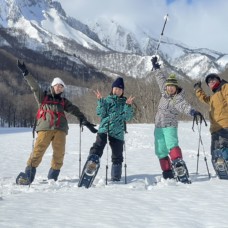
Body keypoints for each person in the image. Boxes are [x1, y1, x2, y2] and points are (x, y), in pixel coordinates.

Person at [16, 60, 97, 185]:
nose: (59, 87)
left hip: (60, 130)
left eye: (61, 86)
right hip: (45, 128)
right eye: (57, 85)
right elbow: (34, 86)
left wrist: (84, 120)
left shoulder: (63, 101)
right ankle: (28, 177)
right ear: (52, 86)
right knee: (37, 152)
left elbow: (74, 109)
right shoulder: (43, 97)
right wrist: (26, 72)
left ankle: (52, 179)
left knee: (59, 154)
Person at [151, 55, 202, 183]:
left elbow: (183, 106)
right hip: (158, 127)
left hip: (169, 126)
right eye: (168, 86)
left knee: (172, 145)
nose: (170, 88)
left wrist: (192, 111)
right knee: (160, 150)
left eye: (172, 87)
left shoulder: (177, 98)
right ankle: (167, 172)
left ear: (176, 88)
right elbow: (160, 78)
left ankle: (178, 164)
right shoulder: (164, 92)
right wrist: (156, 67)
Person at [80, 77, 134, 185]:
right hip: (105, 128)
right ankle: (91, 164)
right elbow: (101, 113)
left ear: (122, 91)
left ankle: (116, 177)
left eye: (120, 89)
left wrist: (128, 106)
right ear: (112, 89)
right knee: (98, 146)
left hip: (118, 132)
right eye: (115, 88)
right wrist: (100, 101)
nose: (117, 91)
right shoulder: (106, 100)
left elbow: (127, 117)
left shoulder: (125, 102)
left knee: (117, 154)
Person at [194, 74, 228, 179]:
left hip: (225, 125)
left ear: (219, 79)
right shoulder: (213, 97)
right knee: (215, 153)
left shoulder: (225, 87)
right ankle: (221, 173)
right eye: (209, 81)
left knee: (223, 148)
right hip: (215, 128)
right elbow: (204, 98)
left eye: (213, 79)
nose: (211, 81)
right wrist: (197, 89)